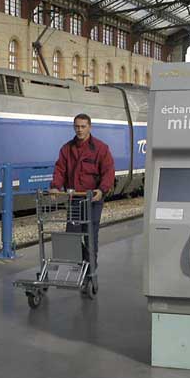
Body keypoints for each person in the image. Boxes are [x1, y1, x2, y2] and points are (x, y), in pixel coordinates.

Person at [49, 113, 114, 270]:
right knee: (72, 234)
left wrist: (102, 189)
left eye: (83, 126)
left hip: (92, 199)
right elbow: (60, 169)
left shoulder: (100, 148)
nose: (80, 130)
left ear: (89, 127)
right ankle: (85, 263)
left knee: (90, 234)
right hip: (75, 198)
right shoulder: (67, 149)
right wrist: (55, 186)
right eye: (77, 126)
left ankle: (91, 267)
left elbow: (108, 171)